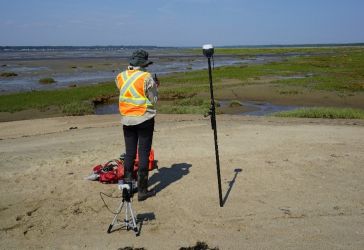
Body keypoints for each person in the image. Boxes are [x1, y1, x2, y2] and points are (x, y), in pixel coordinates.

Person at [115, 49, 159, 201]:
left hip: (126, 119)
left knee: (129, 153)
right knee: (144, 154)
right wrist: (156, 86)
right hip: (144, 118)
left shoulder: (120, 76)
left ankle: (127, 188)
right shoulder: (147, 77)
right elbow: (153, 100)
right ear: (144, 64)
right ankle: (142, 191)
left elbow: (125, 91)